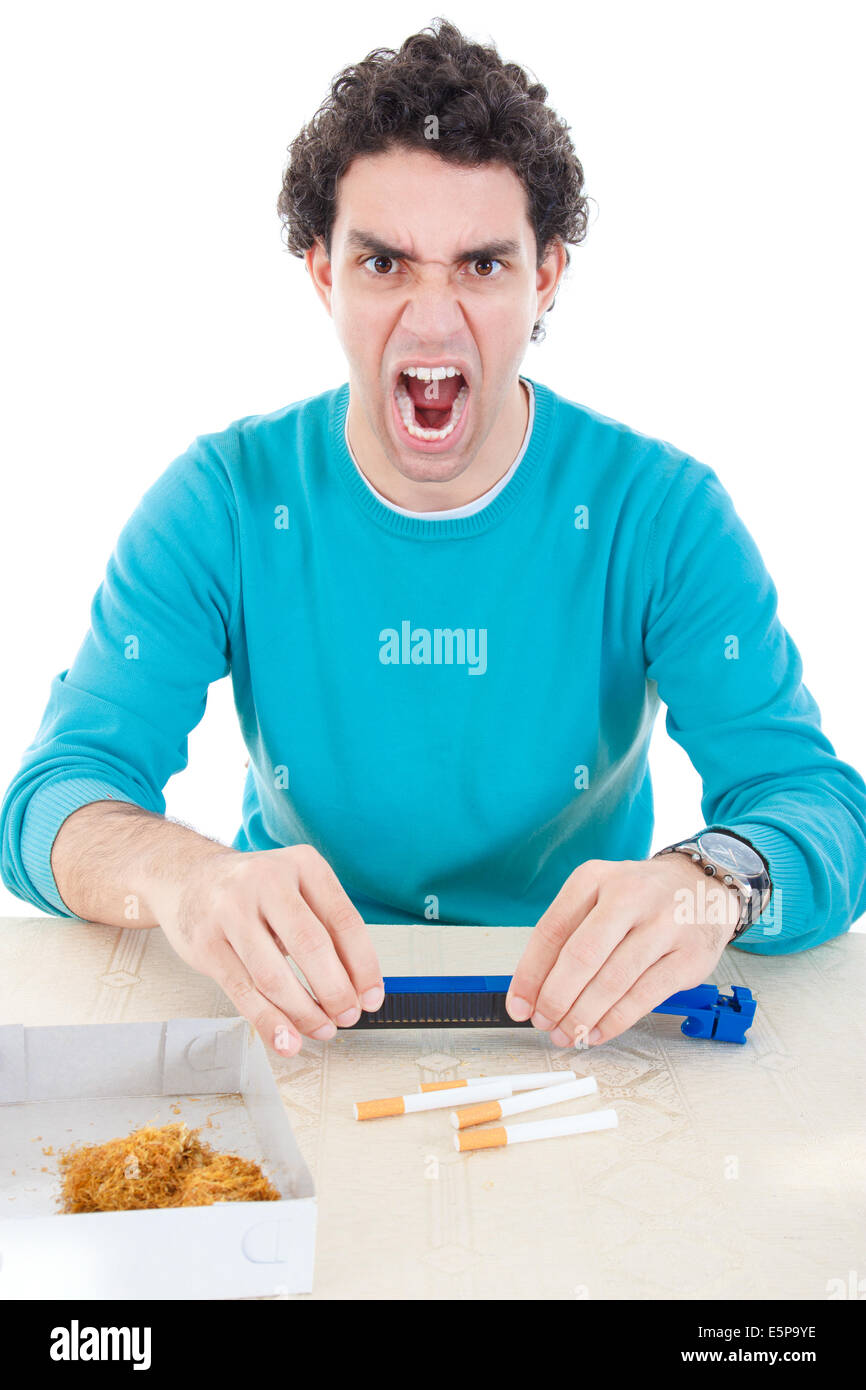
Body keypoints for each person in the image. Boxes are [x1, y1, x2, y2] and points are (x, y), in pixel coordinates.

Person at [3, 20, 865, 1059]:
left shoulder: (660, 512)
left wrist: (707, 884)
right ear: (322, 272)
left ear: (544, 277)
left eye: (481, 265)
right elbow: (49, 804)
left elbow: (817, 808)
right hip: (297, 1026)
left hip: (576, 1037)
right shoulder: (223, 501)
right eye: (382, 262)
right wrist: (188, 879)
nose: (429, 320)